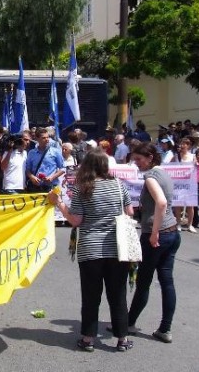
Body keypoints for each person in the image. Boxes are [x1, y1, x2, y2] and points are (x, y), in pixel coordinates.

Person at [48, 148, 134, 352]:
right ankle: (122, 339)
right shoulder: (118, 185)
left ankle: (88, 339)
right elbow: (129, 211)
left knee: (91, 296)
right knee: (118, 295)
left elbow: (76, 220)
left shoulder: (83, 188)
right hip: (118, 248)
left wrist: (59, 204)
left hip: (90, 249)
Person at [128, 142, 181, 344]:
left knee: (144, 282)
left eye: (139, 160)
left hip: (157, 233)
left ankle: (129, 322)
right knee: (167, 281)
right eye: (135, 160)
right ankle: (165, 328)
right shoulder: (164, 173)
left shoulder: (151, 177)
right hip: (173, 232)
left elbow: (161, 202)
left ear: (150, 157)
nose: (137, 164)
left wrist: (154, 232)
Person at [25, 127, 65, 193]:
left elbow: (63, 168)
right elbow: (27, 170)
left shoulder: (55, 151)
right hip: (36, 188)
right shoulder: (31, 153)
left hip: (51, 187)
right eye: (44, 138)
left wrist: (52, 177)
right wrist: (32, 177)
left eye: (48, 137)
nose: (47, 140)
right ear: (37, 139)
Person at [173, 138, 196, 232]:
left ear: (188, 146)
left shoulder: (192, 156)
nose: (182, 146)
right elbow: (170, 167)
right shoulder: (176, 156)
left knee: (190, 205)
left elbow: (195, 167)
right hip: (179, 183)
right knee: (178, 204)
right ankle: (178, 223)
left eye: (184, 144)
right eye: (181, 144)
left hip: (189, 183)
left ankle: (190, 225)